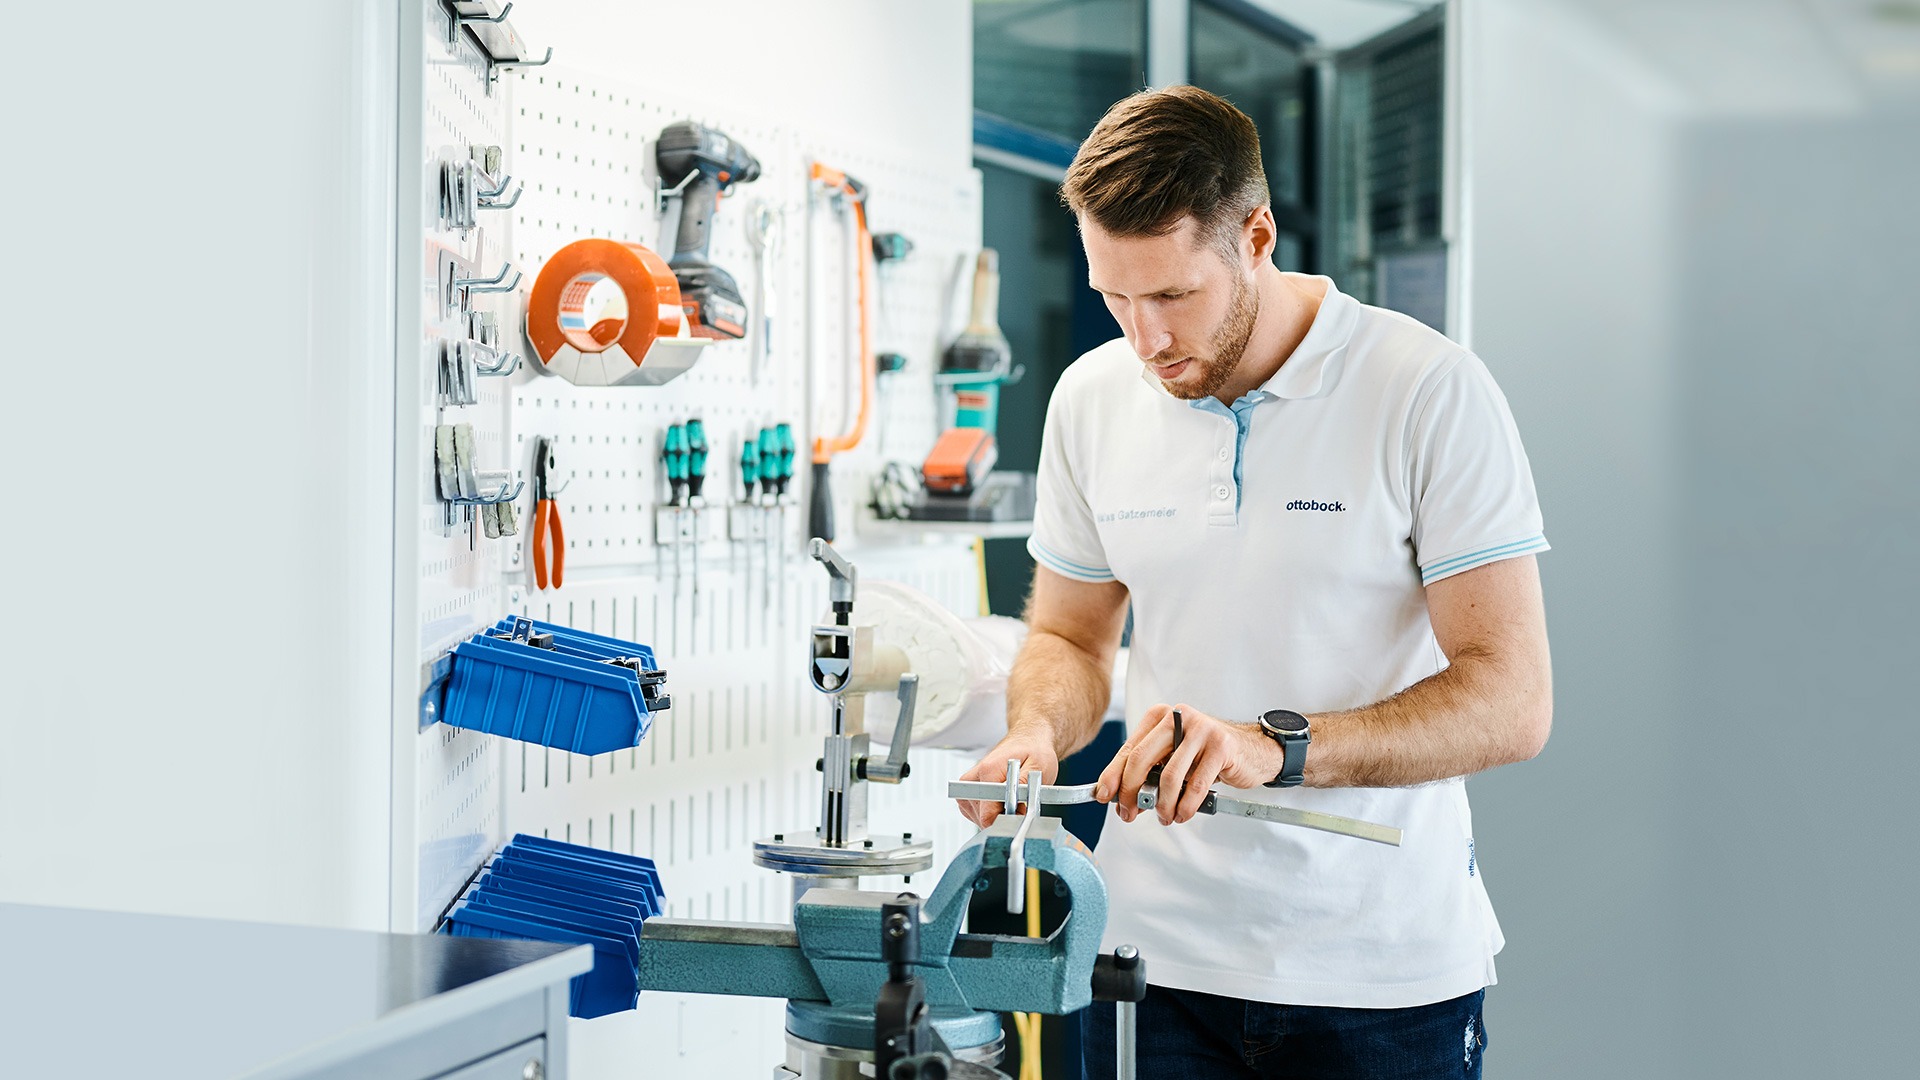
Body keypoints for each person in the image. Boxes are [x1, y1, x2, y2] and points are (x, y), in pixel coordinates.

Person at [955, 86, 1553, 1079]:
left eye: (1173, 296)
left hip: (1378, 980)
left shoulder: (1426, 391)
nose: (1144, 338)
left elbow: (1511, 699)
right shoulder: (1094, 399)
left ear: (1257, 237)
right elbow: (1069, 640)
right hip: (1147, 963)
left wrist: (1274, 750)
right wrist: (1033, 733)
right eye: (1116, 296)